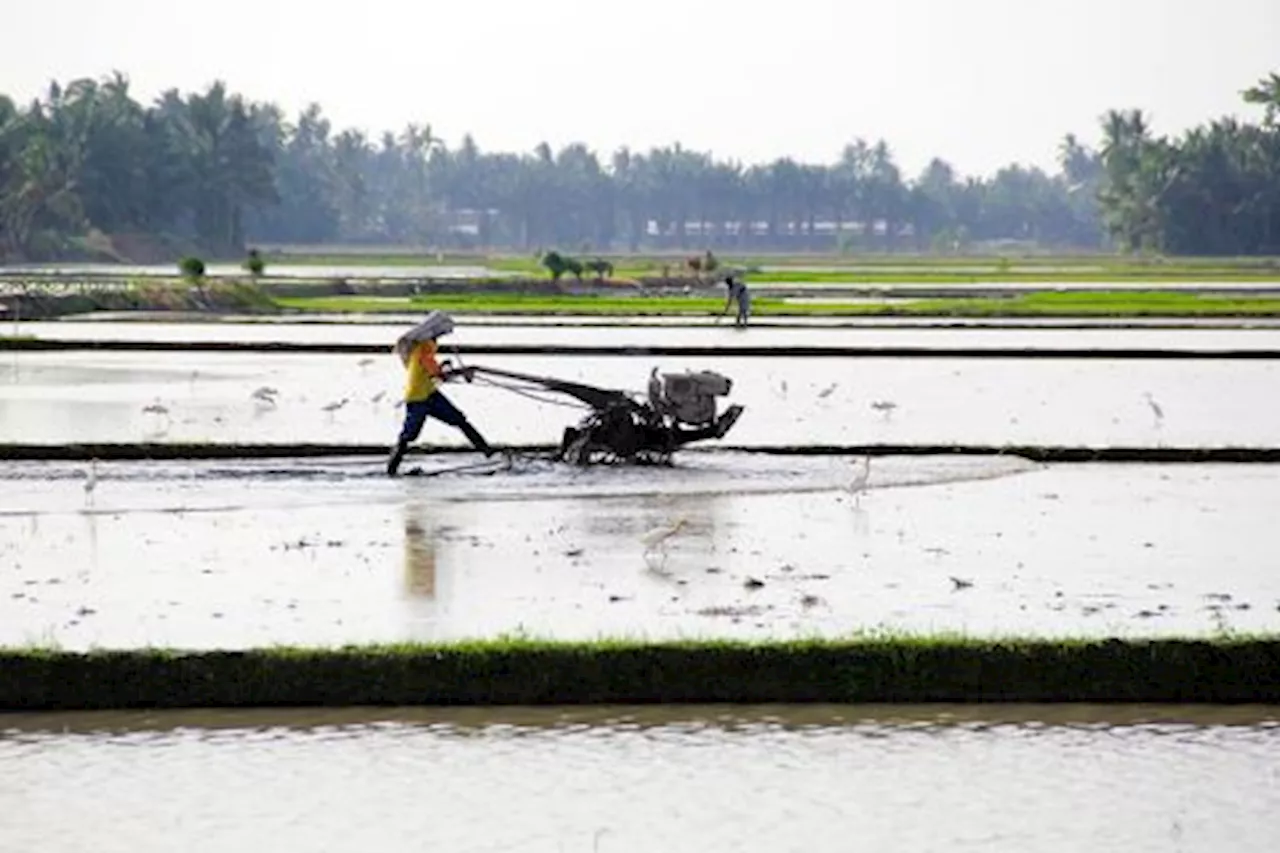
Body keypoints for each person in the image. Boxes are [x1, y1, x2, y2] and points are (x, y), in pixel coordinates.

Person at [386, 311, 496, 477]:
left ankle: (488, 452)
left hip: (430, 393)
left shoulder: (424, 348)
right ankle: (391, 470)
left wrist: (451, 370)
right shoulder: (424, 349)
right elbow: (437, 373)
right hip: (418, 397)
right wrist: (456, 372)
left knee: (459, 419)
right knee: (408, 436)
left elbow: (437, 371)